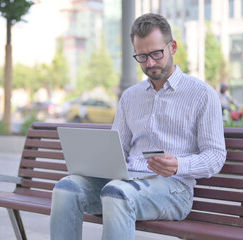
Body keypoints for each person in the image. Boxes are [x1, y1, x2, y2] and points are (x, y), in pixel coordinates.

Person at [50, 13, 226, 240]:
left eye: (156, 53)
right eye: (142, 56)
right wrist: (97, 164)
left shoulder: (203, 95)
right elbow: (118, 150)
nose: (150, 63)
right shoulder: (130, 97)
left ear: (172, 47)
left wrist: (178, 165)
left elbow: (215, 156)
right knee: (67, 189)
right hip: (127, 181)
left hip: (174, 189)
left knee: (117, 194)